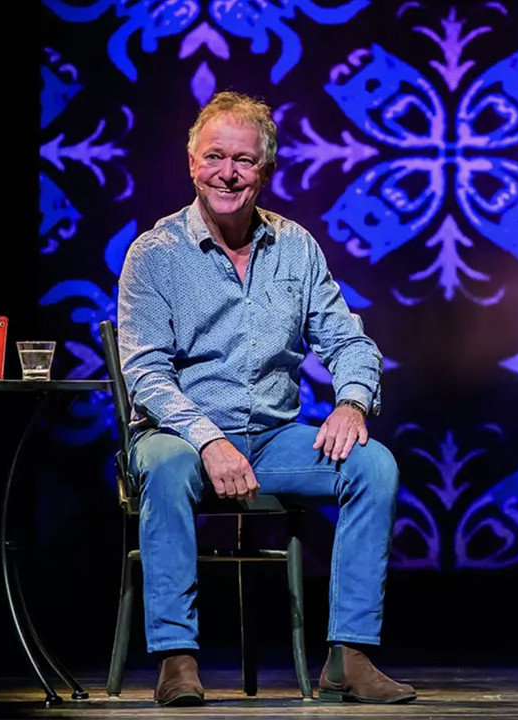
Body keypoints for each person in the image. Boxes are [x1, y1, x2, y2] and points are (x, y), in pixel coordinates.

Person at [116, 91, 414, 706]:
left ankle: (349, 657)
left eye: (244, 161)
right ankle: (177, 658)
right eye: (215, 157)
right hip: (180, 436)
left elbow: (349, 341)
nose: (228, 173)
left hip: (274, 438)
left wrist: (352, 402)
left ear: (266, 170)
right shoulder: (154, 254)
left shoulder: (296, 247)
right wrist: (209, 440)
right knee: (167, 469)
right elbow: (145, 373)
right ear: (192, 162)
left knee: (373, 463)